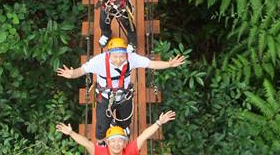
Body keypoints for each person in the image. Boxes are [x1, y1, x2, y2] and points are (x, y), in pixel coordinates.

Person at [57, 37, 185, 141]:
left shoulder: (131, 58)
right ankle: (101, 141)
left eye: (122, 56)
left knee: (126, 119)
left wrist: (169, 64)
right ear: (108, 54)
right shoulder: (98, 61)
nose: (118, 60)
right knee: (102, 124)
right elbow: (81, 70)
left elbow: (151, 64)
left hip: (124, 96)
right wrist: (72, 74)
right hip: (105, 97)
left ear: (126, 54)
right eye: (115, 56)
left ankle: (123, 127)